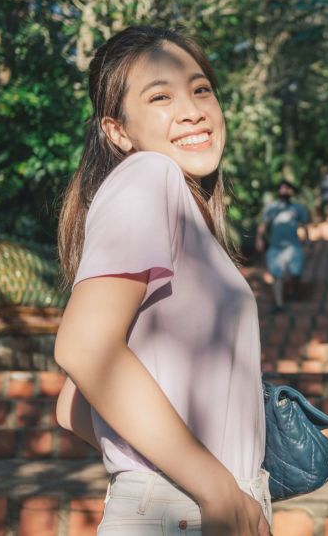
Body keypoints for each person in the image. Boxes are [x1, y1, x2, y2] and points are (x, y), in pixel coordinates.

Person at [52, 26, 271, 536]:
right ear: (117, 131)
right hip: (189, 508)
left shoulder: (181, 212)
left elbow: (71, 406)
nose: (194, 109)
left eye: (201, 89)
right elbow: (84, 348)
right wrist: (212, 484)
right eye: (160, 96)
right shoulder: (150, 175)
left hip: (190, 504)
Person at [256, 181, 310, 313]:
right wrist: (259, 239)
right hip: (275, 247)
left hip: (293, 246)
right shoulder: (271, 208)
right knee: (277, 275)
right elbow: (263, 225)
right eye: (282, 188)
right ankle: (279, 303)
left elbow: (304, 226)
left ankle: (293, 291)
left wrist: (307, 242)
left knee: (295, 273)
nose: (284, 191)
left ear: (292, 192)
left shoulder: (297, 208)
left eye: (287, 189)